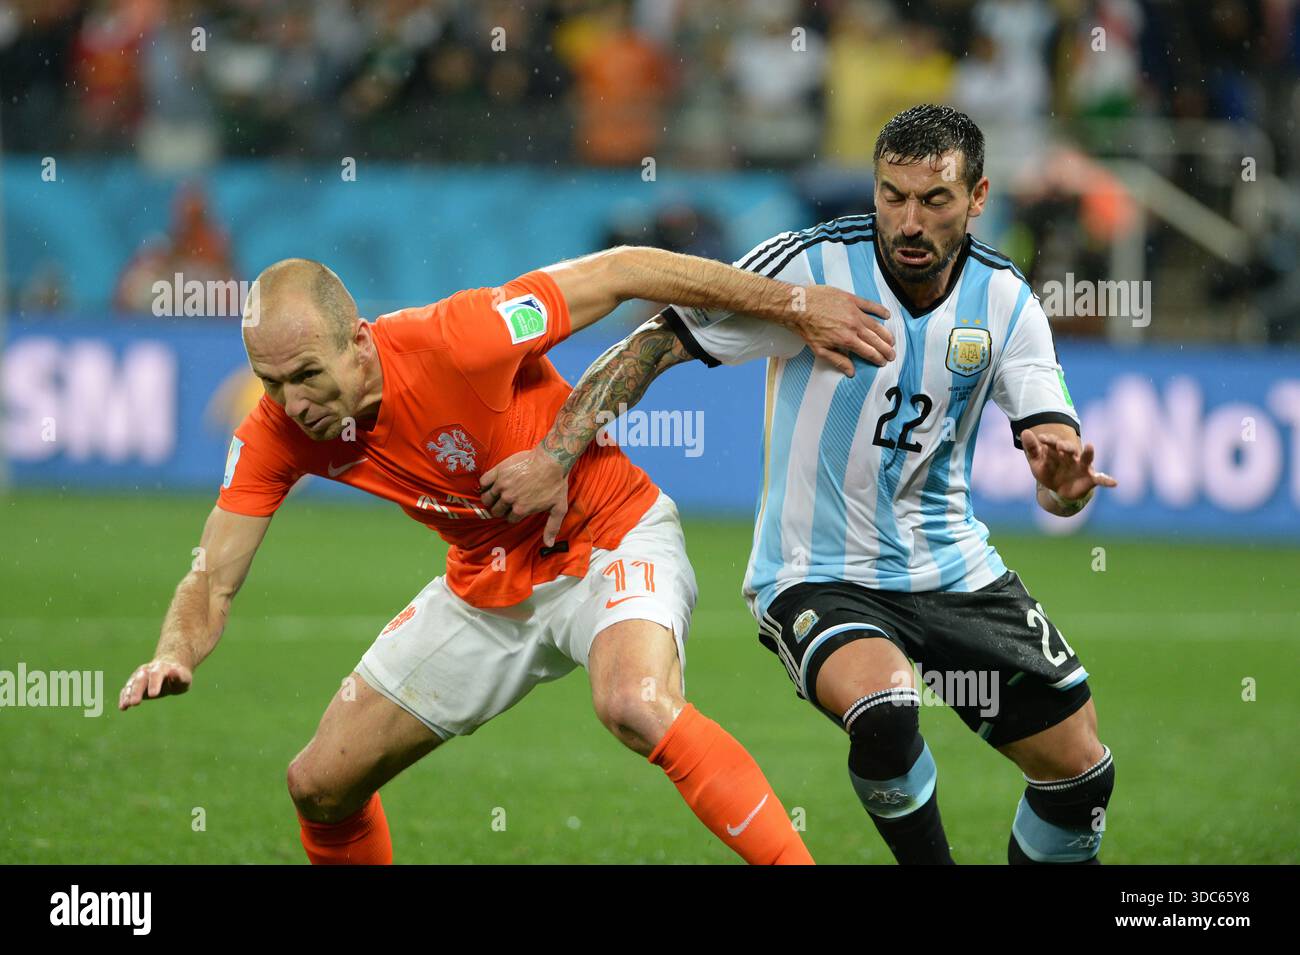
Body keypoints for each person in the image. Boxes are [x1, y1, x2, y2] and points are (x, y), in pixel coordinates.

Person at [482, 105, 1118, 865]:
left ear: (979, 198)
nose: (908, 221)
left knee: (1079, 775)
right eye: (892, 195)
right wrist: (556, 454)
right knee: (886, 711)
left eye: (935, 200)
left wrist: (1064, 485)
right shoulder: (810, 269)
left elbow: (1059, 475)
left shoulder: (1008, 301)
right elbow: (653, 344)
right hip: (814, 572)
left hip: (951, 570)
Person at [118, 245, 893, 865]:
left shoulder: (461, 336)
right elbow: (211, 577)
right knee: (318, 785)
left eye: (307, 375)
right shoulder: (278, 431)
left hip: (610, 537)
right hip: (487, 585)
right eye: (271, 382)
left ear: (357, 342)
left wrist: (795, 302)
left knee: (634, 702)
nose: (293, 403)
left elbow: (623, 270)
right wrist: (173, 650)